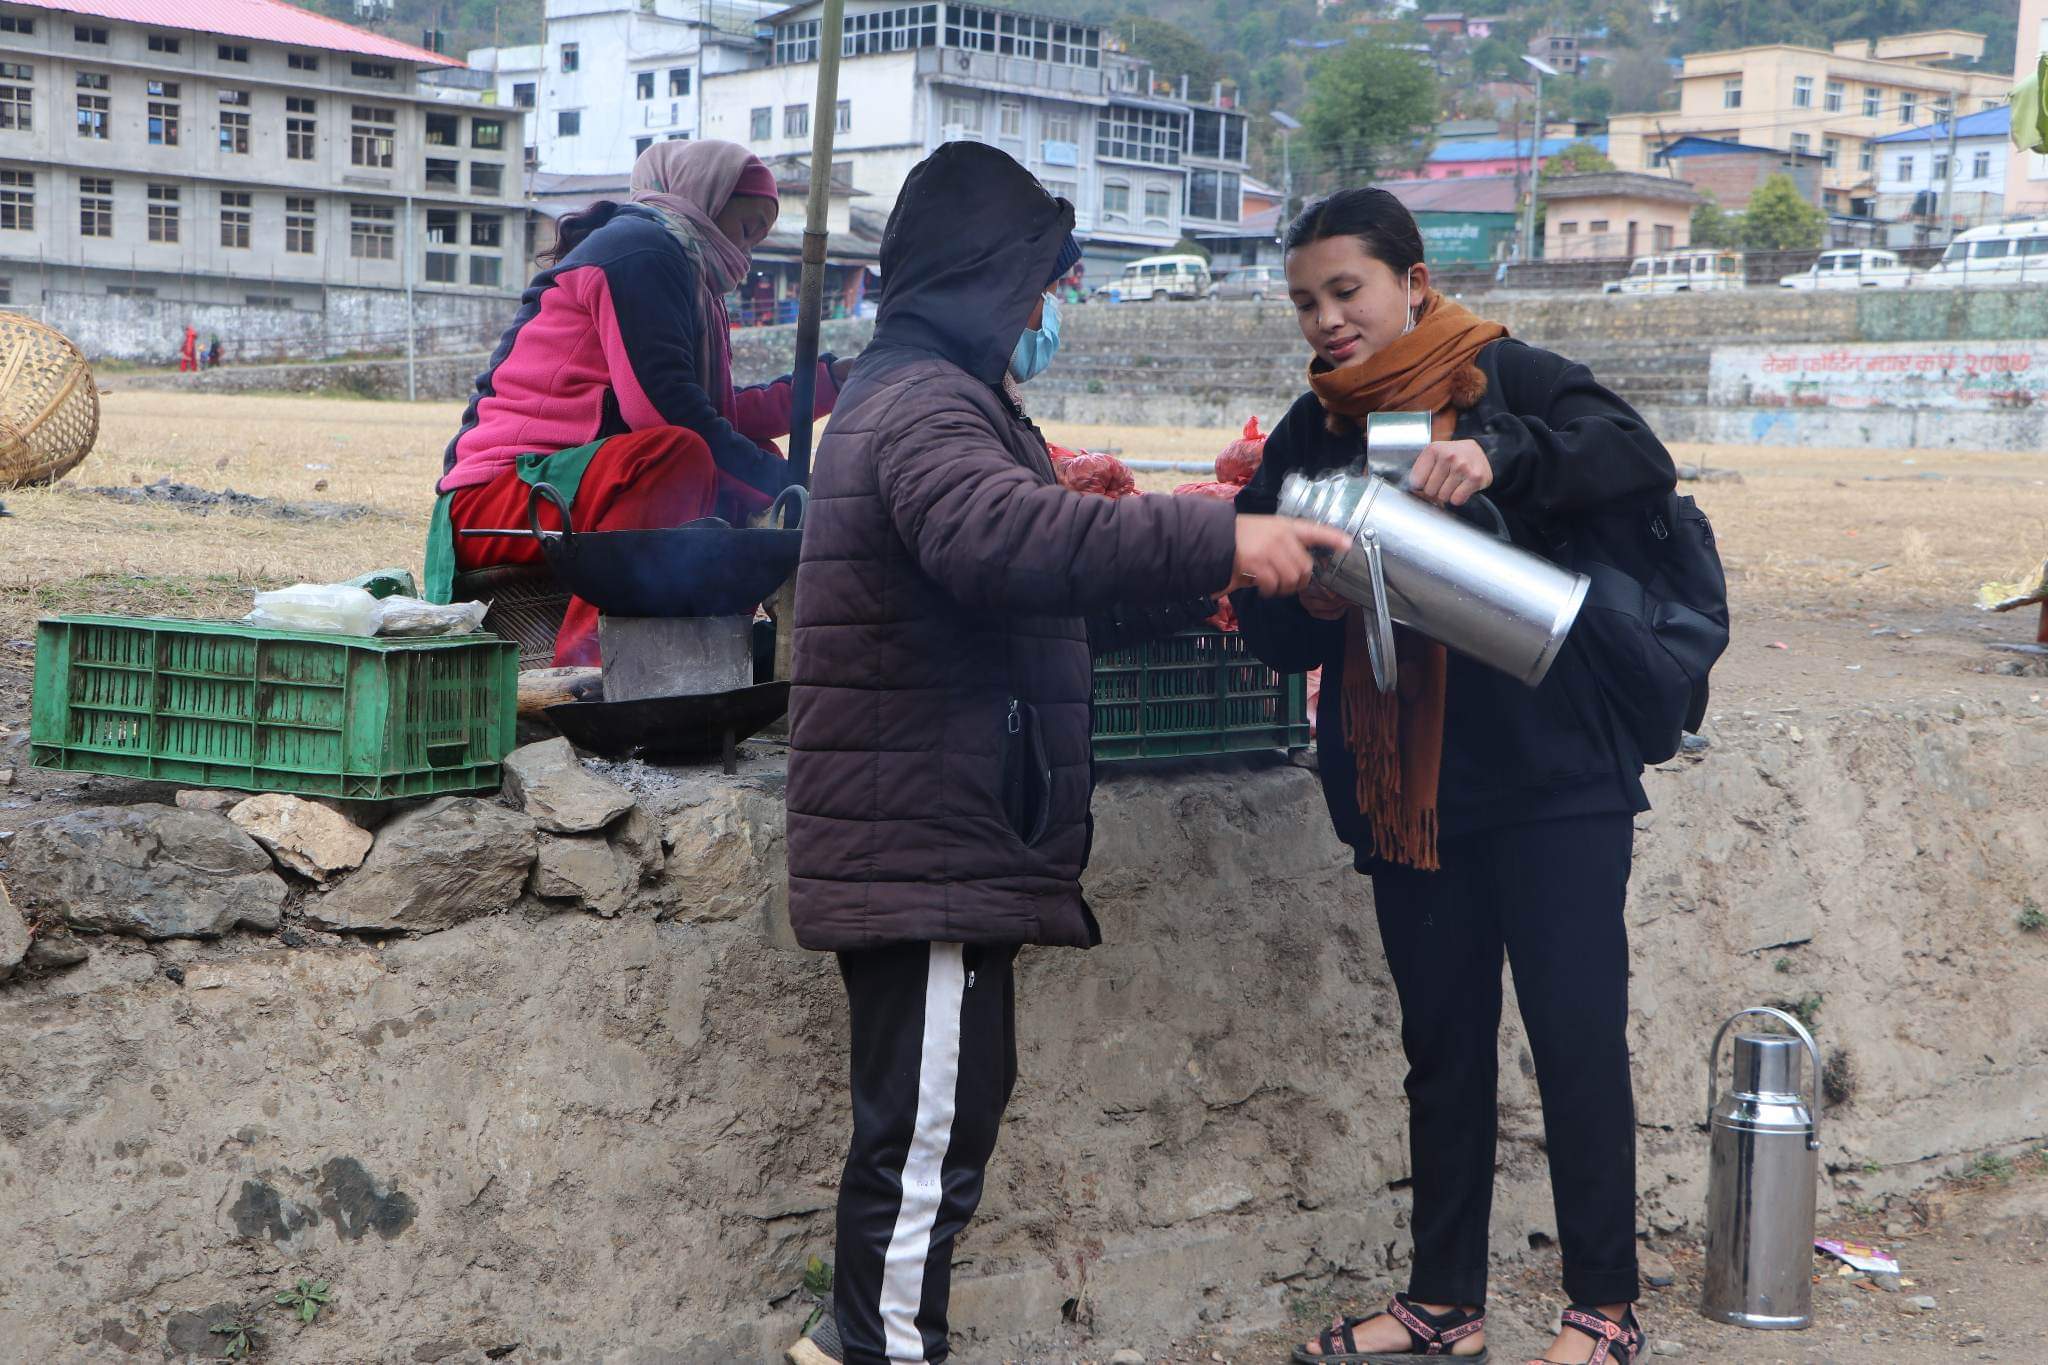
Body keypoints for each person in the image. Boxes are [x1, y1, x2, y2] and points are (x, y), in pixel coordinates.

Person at [782, 141, 1348, 1365]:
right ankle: (873, 1351)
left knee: (942, 1129)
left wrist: (1190, 584)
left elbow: (1024, 587)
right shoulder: (923, 406)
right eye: (1039, 286)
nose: (1047, 314)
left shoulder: (931, 395)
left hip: (943, 827)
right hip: (920, 835)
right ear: (990, 281)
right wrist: (1215, 536)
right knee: (925, 1146)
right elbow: (1002, 539)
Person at [1234, 188, 1679, 1365]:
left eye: (1346, 292)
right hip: (1408, 794)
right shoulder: (1311, 433)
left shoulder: (1507, 376)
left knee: (1573, 1036)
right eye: (1304, 304)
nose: (1326, 321)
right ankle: (1443, 1304)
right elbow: (1266, 625)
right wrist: (1303, 593)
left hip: (1555, 780)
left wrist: (1497, 456)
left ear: (1413, 283)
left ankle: (1604, 1310)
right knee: (1440, 1048)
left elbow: (1635, 457)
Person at [426, 140, 849, 665]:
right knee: (677, 455)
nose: (750, 248)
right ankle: (594, 665)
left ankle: (721, 647)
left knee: (734, 451)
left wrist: (830, 384)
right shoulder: (642, 252)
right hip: (500, 494)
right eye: (748, 228)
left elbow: (718, 413)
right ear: (707, 196)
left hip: (573, 480)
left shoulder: (686, 267)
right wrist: (794, 485)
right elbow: (667, 411)